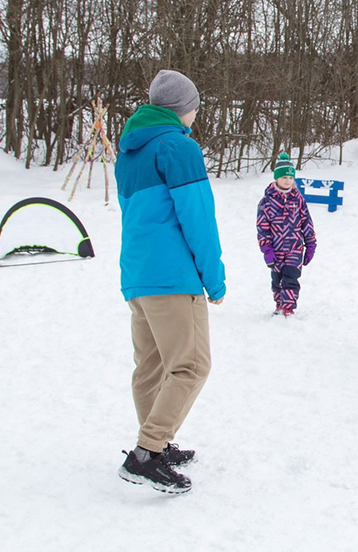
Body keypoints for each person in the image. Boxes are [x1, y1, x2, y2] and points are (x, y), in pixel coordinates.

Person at [114, 69, 226, 494]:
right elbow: (197, 217)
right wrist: (213, 277)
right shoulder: (179, 147)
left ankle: (156, 441)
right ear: (184, 108)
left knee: (152, 365)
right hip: (173, 277)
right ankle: (148, 453)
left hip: (138, 276)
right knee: (191, 365)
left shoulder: (130, 150)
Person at [257, 153, 317, 317]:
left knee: (291, 278)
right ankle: (279, 305)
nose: (287, 181)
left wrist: (310, 245)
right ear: (276, 178)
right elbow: (262, 228)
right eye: (284, 177)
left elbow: (307, 222)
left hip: (294, 249)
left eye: (290, 178)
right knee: (277, 280)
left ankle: (288, 308)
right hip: (275, 249)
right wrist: (267, 250)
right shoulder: (266, 202)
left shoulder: (298, 199)